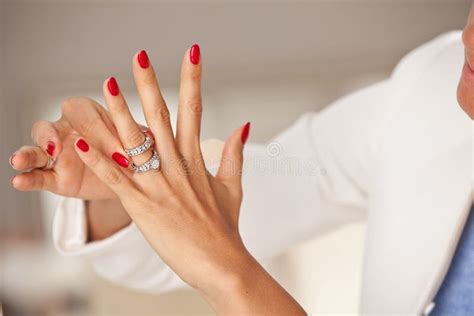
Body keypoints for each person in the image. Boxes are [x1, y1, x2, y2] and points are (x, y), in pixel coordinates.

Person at [10, 9, 473, 316]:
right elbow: (268, 192)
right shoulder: (432, 82)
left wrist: (231, 278)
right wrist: (128, 186)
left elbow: (215, 250)